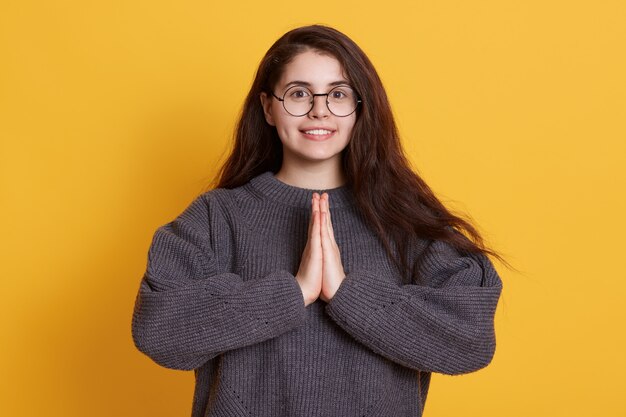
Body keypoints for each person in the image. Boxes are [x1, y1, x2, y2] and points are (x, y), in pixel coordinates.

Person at [132, 24, 504, 417]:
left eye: (338, 94)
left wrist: (347, 295)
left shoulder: (406, 222)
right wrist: (292, 293)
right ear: (268, 108)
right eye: (299, 93)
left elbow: (471, 339)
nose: (319, 109)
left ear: (360, 108)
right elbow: (157, 331)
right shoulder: (216, 217)